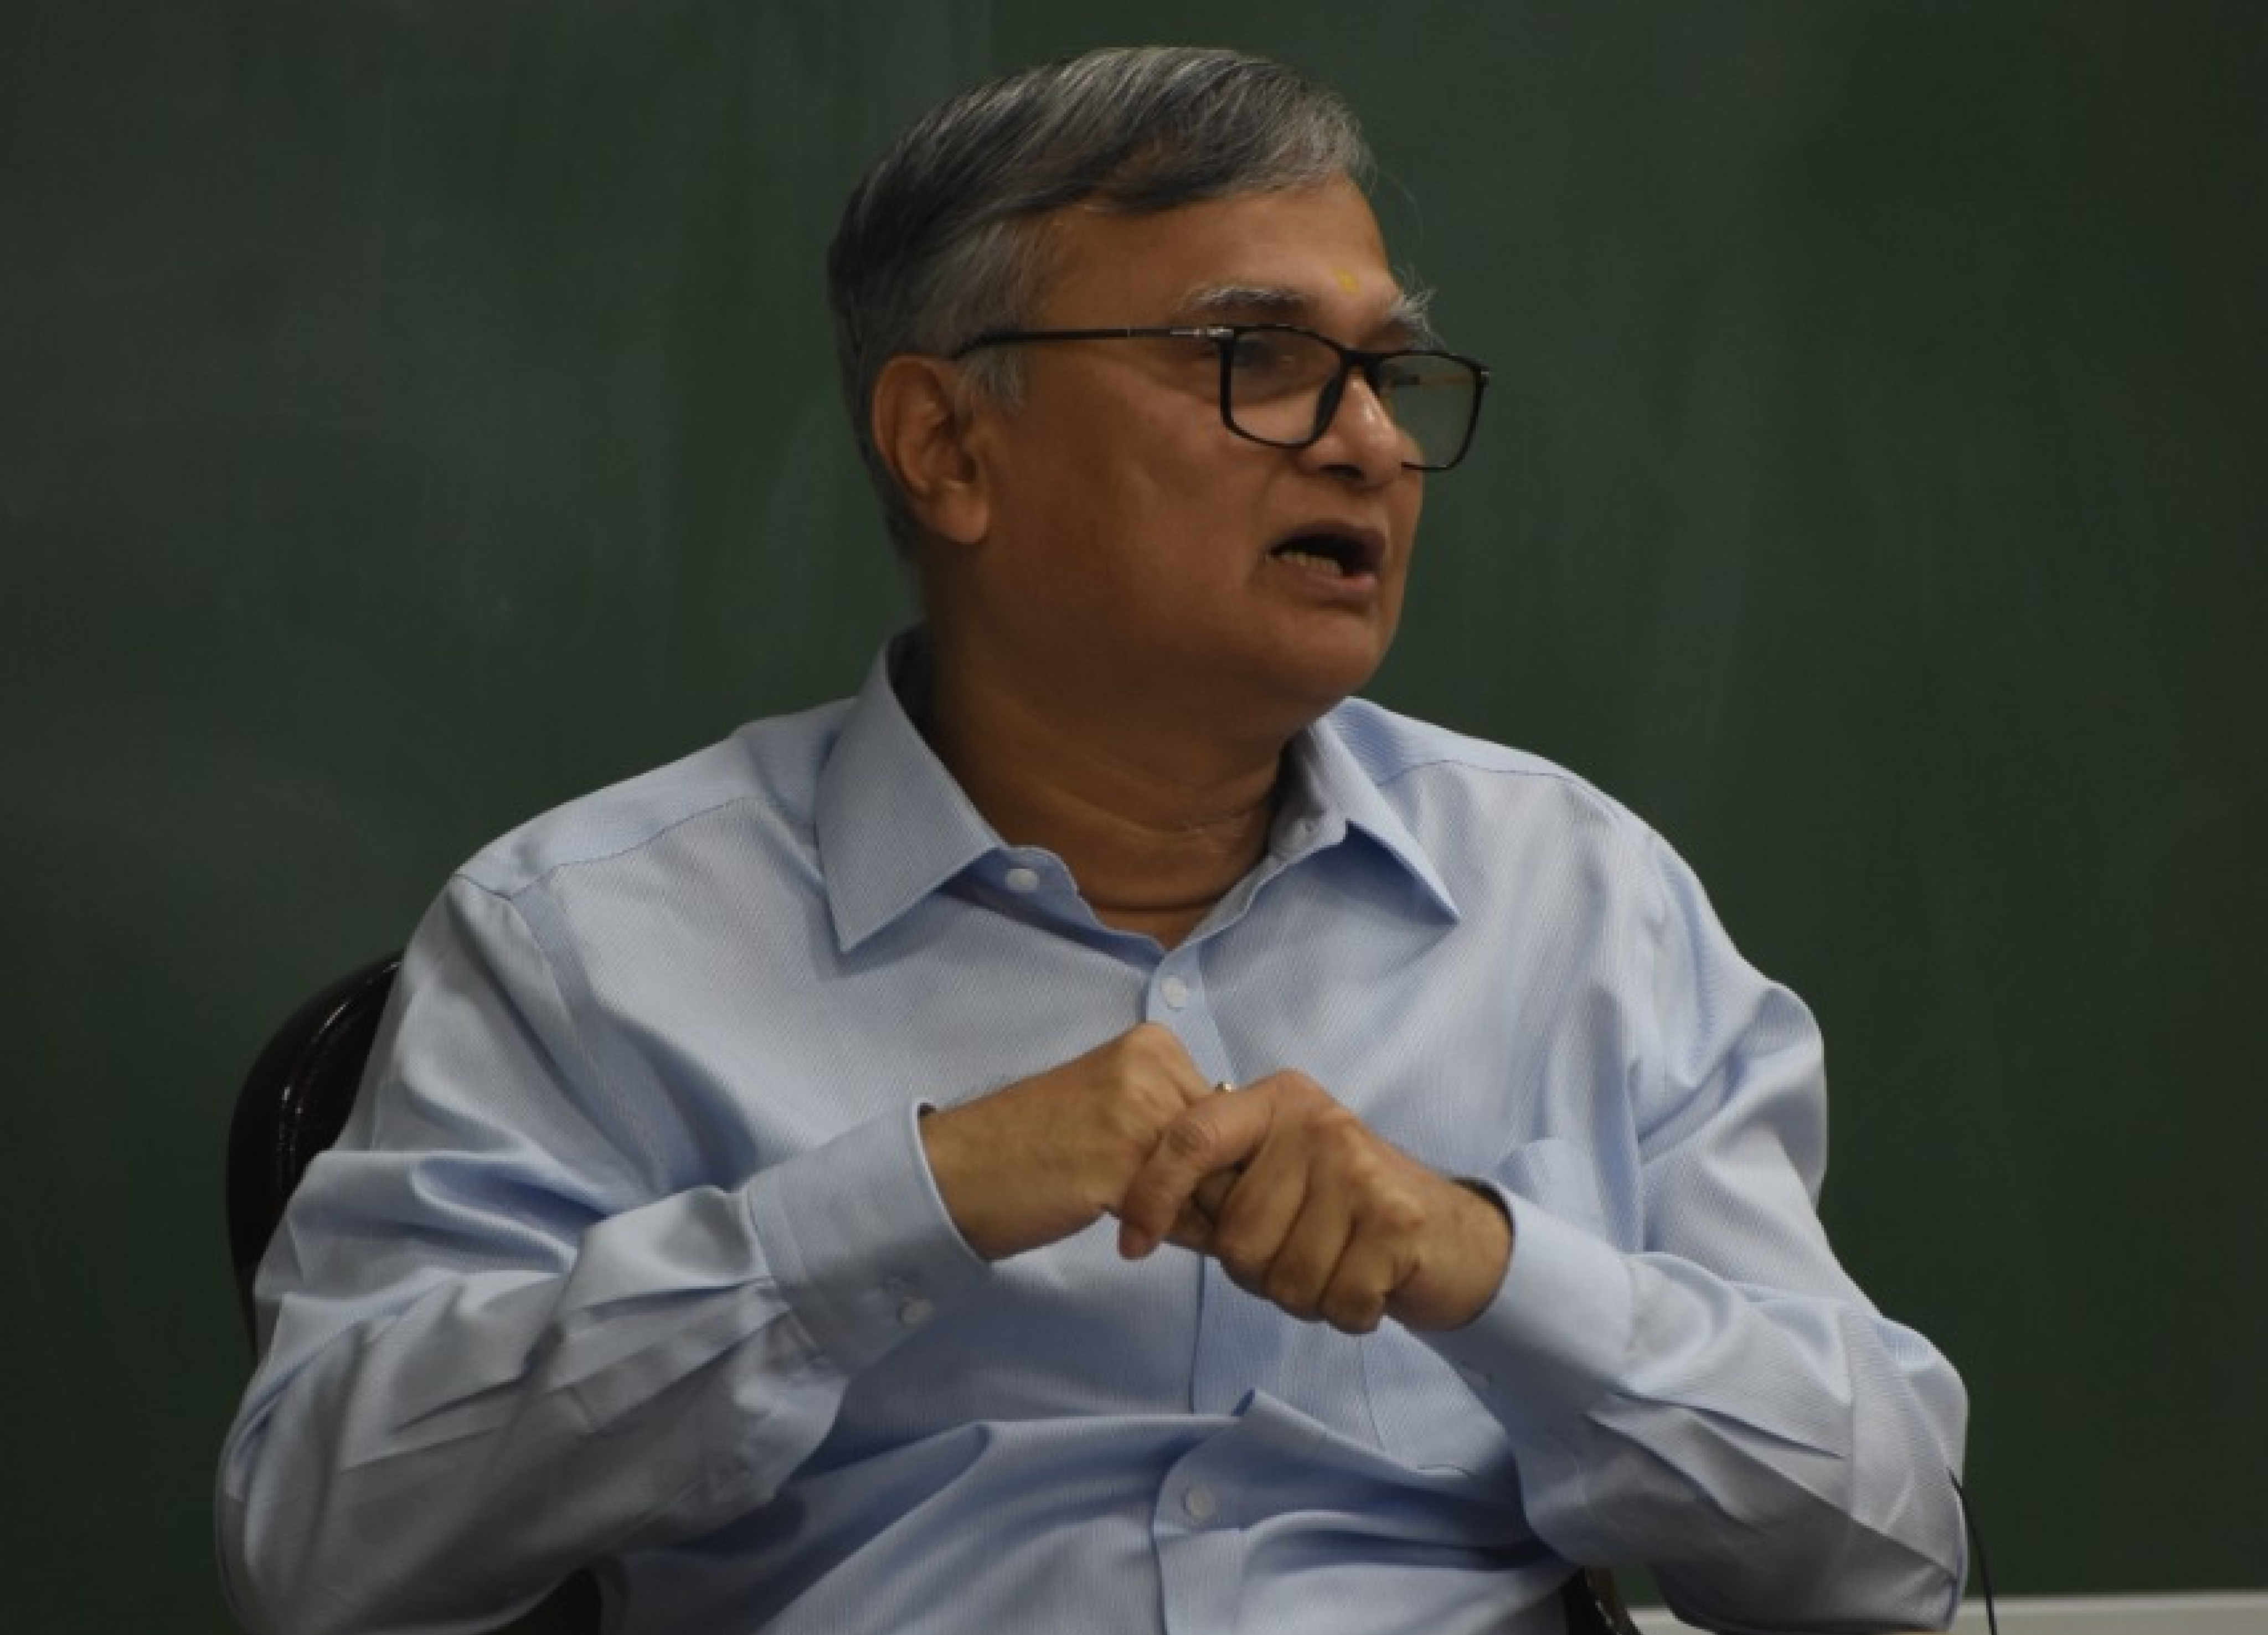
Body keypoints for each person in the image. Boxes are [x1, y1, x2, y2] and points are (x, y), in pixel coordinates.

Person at [218, 45, 1968, 1635]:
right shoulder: (588, 936)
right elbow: (323, 1541)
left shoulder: (1579, 901)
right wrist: (899, 1207)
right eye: (1258, 360)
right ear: (948, 447)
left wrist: (1488, 1268)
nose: (1371, 445)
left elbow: (1892, 1555)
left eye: (1387, 372)